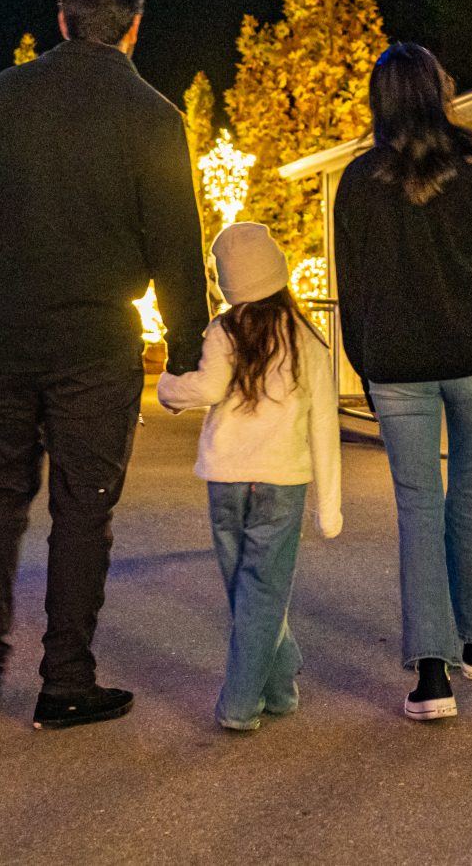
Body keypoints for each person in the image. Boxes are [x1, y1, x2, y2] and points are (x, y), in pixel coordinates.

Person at [0, 0, 208, 729]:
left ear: (61, 19)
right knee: (83, 506)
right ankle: (66, 677)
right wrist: (187, 347)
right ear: (134, 25)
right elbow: (175, 244)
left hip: (0, 331)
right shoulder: (153, 116)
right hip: (94, 336)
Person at [333, 42, 472, 723]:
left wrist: (364, 368)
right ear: (440, 90)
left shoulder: (360, 178)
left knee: (418, 506)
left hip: (398, 365)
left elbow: (353, 287)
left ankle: (432, 674)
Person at [155, 221, 343, 732]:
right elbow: (324, 425)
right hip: (282, 482)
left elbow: (208, 388)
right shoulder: (309, 340)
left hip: (227, 477)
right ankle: (247, 700)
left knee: (244, 588)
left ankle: (274, 689)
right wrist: (330, 507)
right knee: (262, 590)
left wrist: (168, 388)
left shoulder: (223, 330)